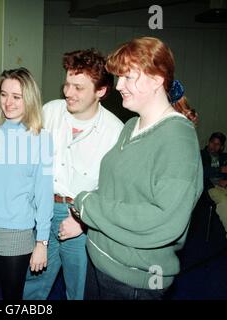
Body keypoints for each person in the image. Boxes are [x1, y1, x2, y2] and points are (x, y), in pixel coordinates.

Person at [73, 37, 203, 300]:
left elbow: (164, 220)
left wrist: (89, 207)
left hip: (133, 280)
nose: (119, 85)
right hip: (101, 261)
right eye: (118, 77)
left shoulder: (177, 139)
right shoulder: (132, 125)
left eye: (128, 77)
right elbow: (117, 187)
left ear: (157, 80)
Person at [23, 49, 123, 300]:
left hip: (82, 219)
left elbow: (115, 191)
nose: (68, 92)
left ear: (101, 91)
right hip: (43, 212)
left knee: (79, 292)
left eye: (78, 87)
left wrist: (83, 221)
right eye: (67, 84)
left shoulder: (115, 131)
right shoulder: (51, 111)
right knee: (32, 286)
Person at [0, 67, 53, 300]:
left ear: (29, 99)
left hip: (17, 231)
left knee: (12, 297)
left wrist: (42, 242)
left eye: (16, 97)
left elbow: (43, 193)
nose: (8, 102)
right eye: (4, 94)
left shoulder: (41, 140)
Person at [202, 132, 227, 237]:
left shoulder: (224, 157)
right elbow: (202, 171)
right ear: (209, 142)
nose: (214, 146)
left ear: (221, 147)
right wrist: (220, 169)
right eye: (212, 142)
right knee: (223, 200)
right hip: (209, 187)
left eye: (217, 144)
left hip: (223, 185)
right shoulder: (202, 155)